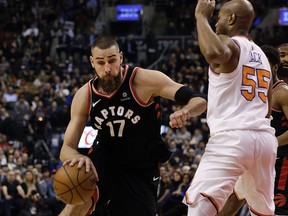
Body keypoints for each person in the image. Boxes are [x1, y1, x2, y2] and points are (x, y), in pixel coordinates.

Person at [58, 35, 207, 216]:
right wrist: (77, 157)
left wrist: (187, 111)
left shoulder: (144, 80)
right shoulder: (85, 95)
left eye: (112, 61)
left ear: (120, 57)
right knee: (77, 201)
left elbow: (199, 99)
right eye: (100, 62)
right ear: (92, 62)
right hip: (105, 159)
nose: (107, 68)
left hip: (142, 165)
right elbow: (66, 148)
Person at [182, 0, 277, 215]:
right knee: (263, 212)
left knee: (199, 205)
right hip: (264, 141)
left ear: (231, 19)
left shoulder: (230, 42)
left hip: (232, 137)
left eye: (219, 18)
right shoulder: (262, 56)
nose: (216, 24)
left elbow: (214, 53)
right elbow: (267, 109)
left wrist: (200, 17)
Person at [218, 45, 288, 215]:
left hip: (279, 160)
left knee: (275, 211)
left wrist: (268, 144)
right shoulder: (253, 93)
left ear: (274, 66)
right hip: (253, 159)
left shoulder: (282, 92)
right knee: (231, 199)